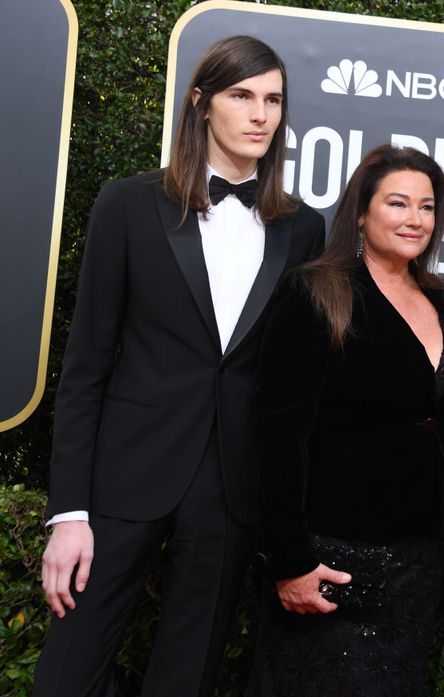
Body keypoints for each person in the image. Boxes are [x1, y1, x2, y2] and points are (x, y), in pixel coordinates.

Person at [34, 36, 325, 697]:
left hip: (230, 483)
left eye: (274, 99)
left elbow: (291, 387)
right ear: (201, 103)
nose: (261, 114)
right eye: (242, 95)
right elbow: (84, 367)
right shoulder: (129, 205)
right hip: (125, 474)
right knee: (65, 675)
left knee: (186, 679)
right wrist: (69, 511)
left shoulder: (302, 229)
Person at [245, 143, 444, 697]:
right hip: (331, 556)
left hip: (418, 560)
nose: (415, 219)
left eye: (427, 207)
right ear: (361, 212)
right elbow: (277, 436)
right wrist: (291, 561)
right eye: (398, 203)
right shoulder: (317, 291)